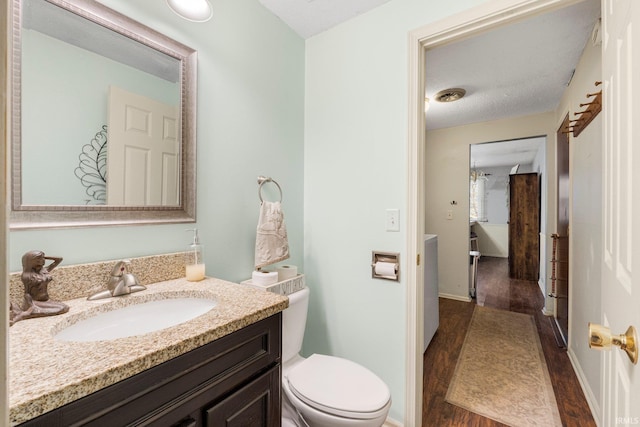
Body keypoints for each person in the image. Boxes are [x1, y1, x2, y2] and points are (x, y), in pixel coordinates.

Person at [10, 250, 69, 326]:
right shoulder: (27, 275)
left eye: (43, 258)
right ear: (31, 261)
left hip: (46, 300)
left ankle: (26, 314)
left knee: (64, 307)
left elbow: (59, 259)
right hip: (34, 302)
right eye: (39, 259)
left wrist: (44, 256)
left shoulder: (44, 270)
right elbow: (27, 293)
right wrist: (31, 306)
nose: (43, 260)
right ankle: (26, 313)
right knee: (62, 308)